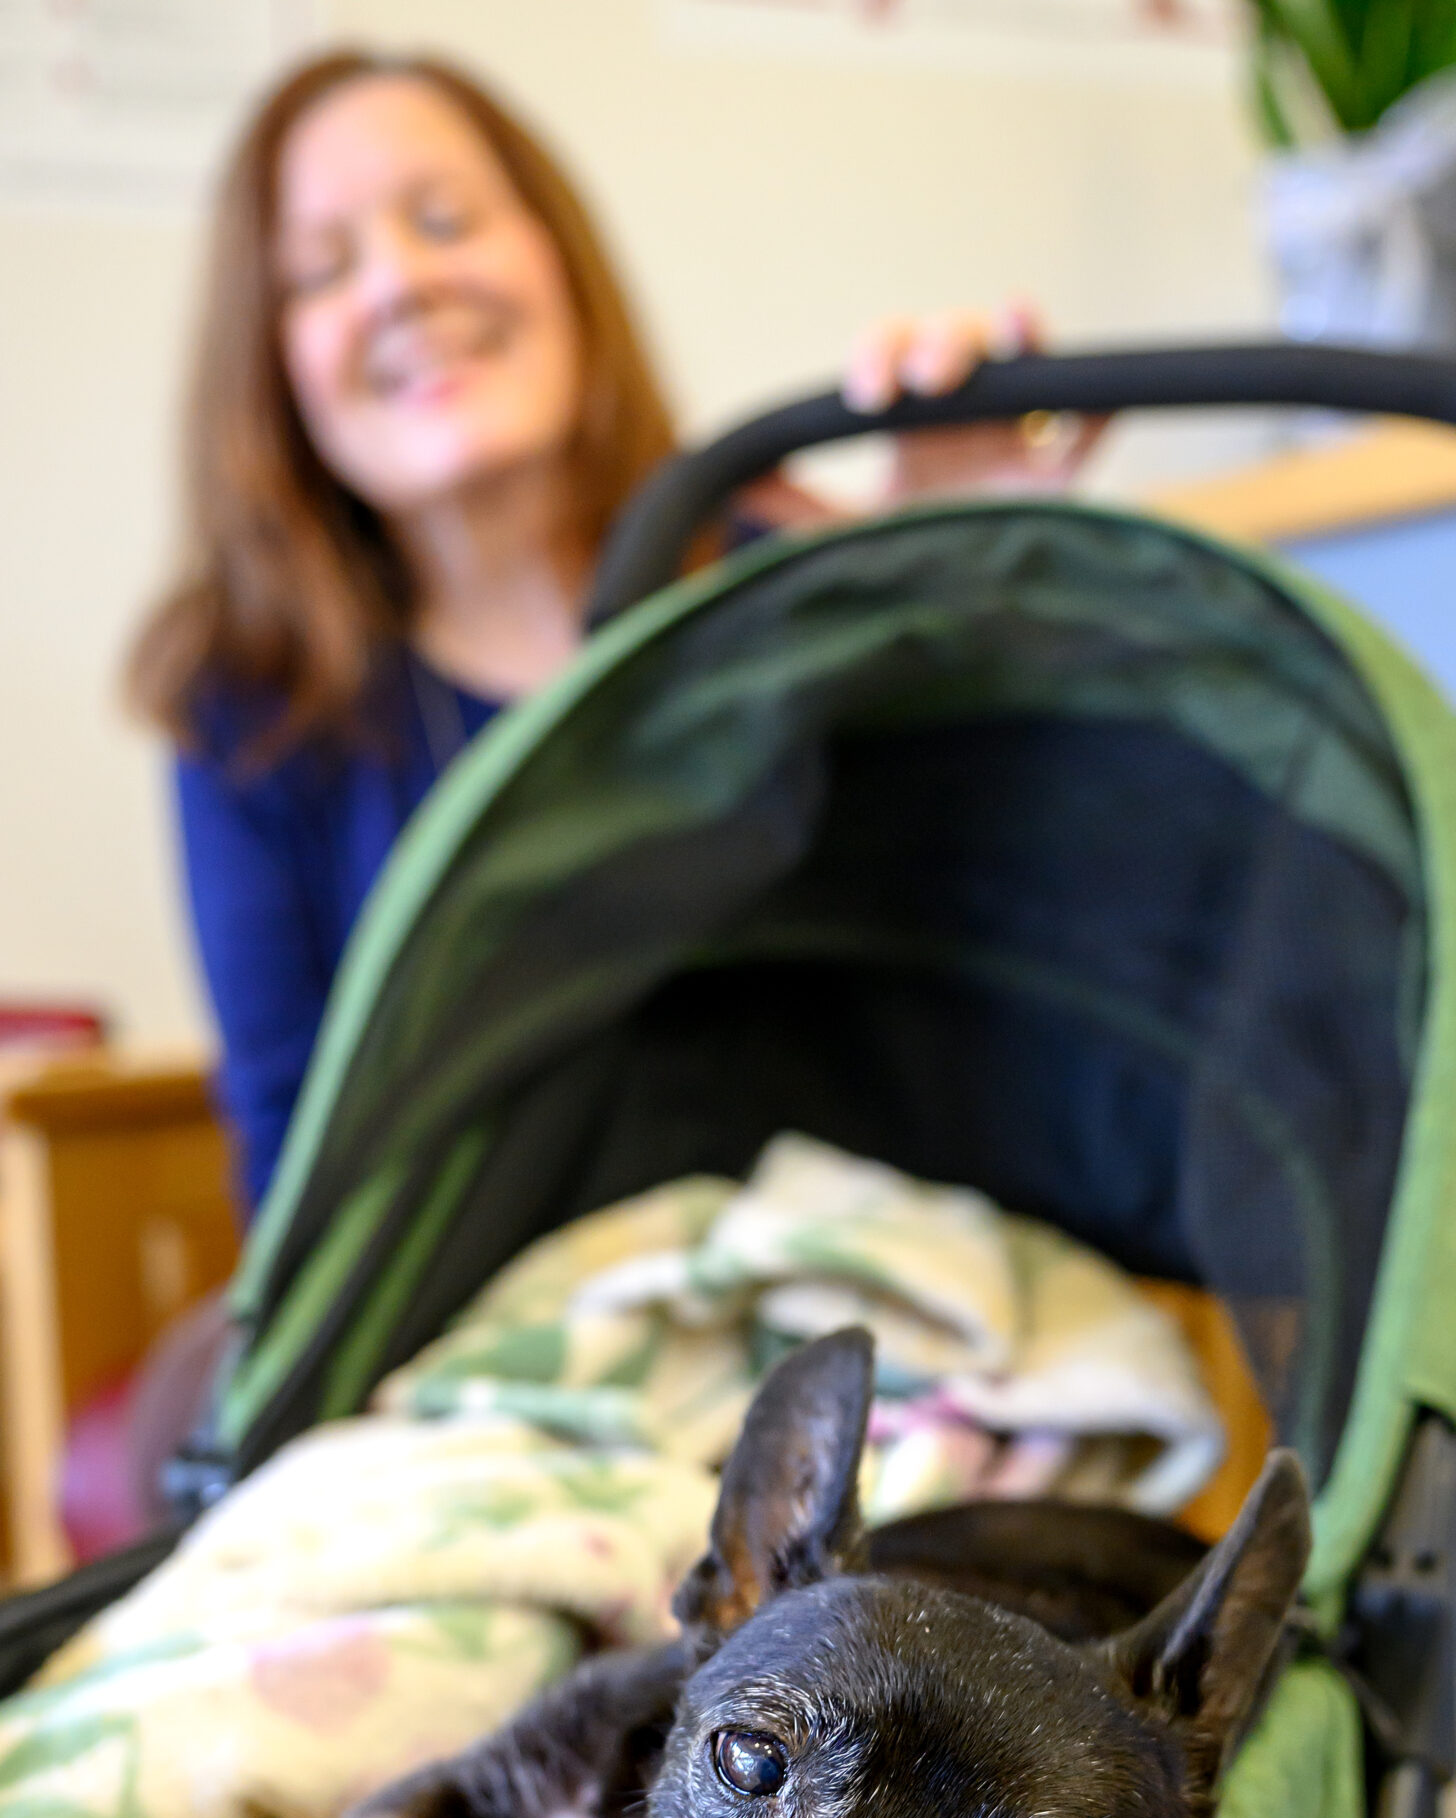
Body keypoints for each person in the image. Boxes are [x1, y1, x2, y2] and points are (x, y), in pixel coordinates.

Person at [129, 49, 1096, 1207]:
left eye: (445, 220)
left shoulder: (789, 595)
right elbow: (295, 1167)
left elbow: (1019, 1000)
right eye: (321, 269)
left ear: (559, 256)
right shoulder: (252, 707)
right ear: (271, 362)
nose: (397, 285)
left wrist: (945, 579)